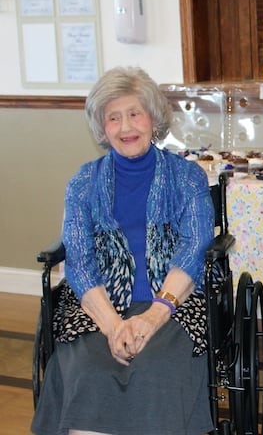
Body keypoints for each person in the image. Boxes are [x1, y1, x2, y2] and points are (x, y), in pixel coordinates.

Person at [31, 66, 215, 435]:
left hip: (171, 305)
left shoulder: (187, 177)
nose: (125, 127)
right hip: (98, 307)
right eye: (113, 118)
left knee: (157, 370)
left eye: (135, 113)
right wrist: (114, 326)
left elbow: (194, 248)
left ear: (153, 118)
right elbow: (79, 264)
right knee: (90, 373)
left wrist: (152, 316)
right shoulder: (84, 182)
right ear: (102, 127)